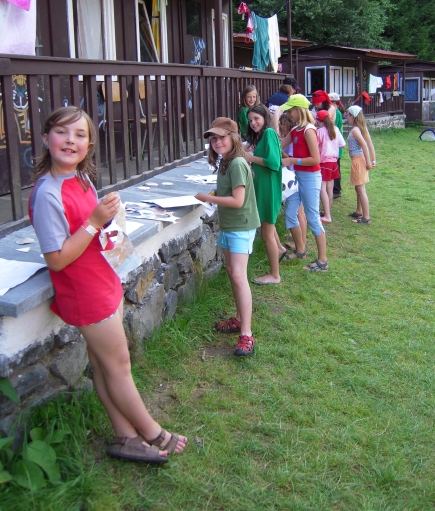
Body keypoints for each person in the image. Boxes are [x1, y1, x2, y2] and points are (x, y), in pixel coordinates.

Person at [29, 106, 187, 464]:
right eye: (61, 132)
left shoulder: (81, 179)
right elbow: (57, 259)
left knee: (104, 365)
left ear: (89, 145)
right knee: (119, 366)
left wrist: (110, 226)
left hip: (103, 281)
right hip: (85, 292)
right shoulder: (47, 193)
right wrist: (93, 221)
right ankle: (154, 433)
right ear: (46, 137)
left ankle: (125, 437)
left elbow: (98, 231)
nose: (70, 140)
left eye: (79, 135)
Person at [194, 117, 260, 356]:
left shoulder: (237, 163)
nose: (217, 142)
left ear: (233, 138)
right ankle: (239, 319)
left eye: (222, 137)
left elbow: (238, 200)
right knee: (232, 272)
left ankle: (247, 334)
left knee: (239, 276)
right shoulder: (226, 162)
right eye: (213, 139)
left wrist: (208, 198)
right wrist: (215, 192)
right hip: (230, 225)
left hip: (241, 225)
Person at [279, 94, 328, 272]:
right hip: (298, 177)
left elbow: (315, 159)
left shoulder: (309, 130)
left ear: (299, 110)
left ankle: (322, 261)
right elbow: (279, 145)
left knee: (313, 217)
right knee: (290, 214)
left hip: (310, 177)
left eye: (290, 111)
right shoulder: (295, 130)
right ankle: (300, 251)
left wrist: (291, 160)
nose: (288, 114)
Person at [244, 104, 284, 285]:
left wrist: (250, 158)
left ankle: (275, 275)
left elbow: (274, 163)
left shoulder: (269, 133)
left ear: (265, 117)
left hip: (269, 191)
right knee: (268, 231)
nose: (253, 123)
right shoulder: (262, 136)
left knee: (267, 234)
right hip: (264, 189)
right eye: (250, 120)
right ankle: (279, 252)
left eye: (256, 119)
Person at [278, 112, 307, 253]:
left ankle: (302, 243)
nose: (281, 126)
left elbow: (290, 157)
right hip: (294, 178)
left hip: (295, 179)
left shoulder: (292, 139)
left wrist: (280, 151)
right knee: (297, 213)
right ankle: (300, 241)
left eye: (283, 124)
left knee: (299, 213)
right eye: (280, 123)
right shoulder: (288, 138)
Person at [346, 105, 376, 224]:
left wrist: (368, 163)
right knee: (358, 187)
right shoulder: (361, 128)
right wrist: (373, 160)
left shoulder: (355, 130)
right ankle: (359, 211)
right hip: (360, 160)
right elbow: (370, 144)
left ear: (353, 116)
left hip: (358, 161)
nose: (346, 116)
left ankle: (366, 217)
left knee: (361, 189)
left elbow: (365, 145)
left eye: (348, 114)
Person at [315, 110, 346, 224]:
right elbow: (343, 144)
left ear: (318, 121)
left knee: (322, 188)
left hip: (324, 163)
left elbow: (314, 147)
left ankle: (327, 216)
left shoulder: (319, 132)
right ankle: (327, 211)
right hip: (334, 162)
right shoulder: (335, 129)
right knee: (330, 188)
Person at [329, 92, 344, 199]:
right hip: (336, 145)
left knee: (336, 169)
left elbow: (333, 127)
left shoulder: (337, 113)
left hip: (337, 146)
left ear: (334, 103)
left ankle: (336, 190)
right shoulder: (337, 112)